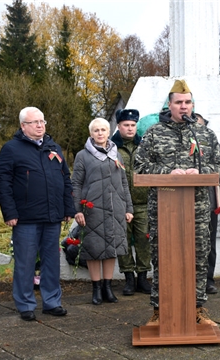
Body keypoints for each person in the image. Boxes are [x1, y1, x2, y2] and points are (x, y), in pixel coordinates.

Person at [134, 79, 220, 326]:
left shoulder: (205, 134)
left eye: (188, 102)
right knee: (162, 257)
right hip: (163, 209)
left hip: (197, 209)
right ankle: (159, 311)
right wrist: (169, 171)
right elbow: (139, 167)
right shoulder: (154, 133)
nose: (184, 107)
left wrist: (201, 171)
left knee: (198, 257)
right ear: (170, 105)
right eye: (179, 102)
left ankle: (196, 309)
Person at [0, 106, 75, 321]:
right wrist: (9, 212)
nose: (40, 126)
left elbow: (65, 179)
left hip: (52, 216)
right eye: (34, 122)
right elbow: (3, 183)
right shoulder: (11, 149)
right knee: (25, 262)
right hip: (25, 218)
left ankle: (52, 302)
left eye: (42, 121)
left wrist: (68, 207)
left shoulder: (54, 147)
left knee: (51, 261)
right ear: (23, 126)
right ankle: (25, 304)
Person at [72, 117, 133, 305]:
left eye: (103, 130)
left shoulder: (117, 155)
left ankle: (108, 287)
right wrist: (78, 210)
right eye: (96, 130)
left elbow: (124, 183)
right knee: (93, 249)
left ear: (109, 132)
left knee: (111, 249)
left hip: (116, 208)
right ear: (91, 133)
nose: (100, 133)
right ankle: (96, 288)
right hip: (92, 209)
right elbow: (76, 183)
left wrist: (128, 208)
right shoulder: (82, 155)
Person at [110, 109, 152, 296]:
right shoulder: (111, 148)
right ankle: (128, 278)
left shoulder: (145, 146)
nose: (130, 128)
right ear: (118, 126)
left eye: (133, 125)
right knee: (123, 241)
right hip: (120, 203)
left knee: (144, 239)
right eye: (126, 125)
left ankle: (142, 277)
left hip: (143, 202)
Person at [194, 113, 220, 294]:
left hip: (208, 205)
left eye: (200, 125)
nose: (196, 128)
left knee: (208, 244)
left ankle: (207, 280)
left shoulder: (213, 145)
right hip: (181, 205)